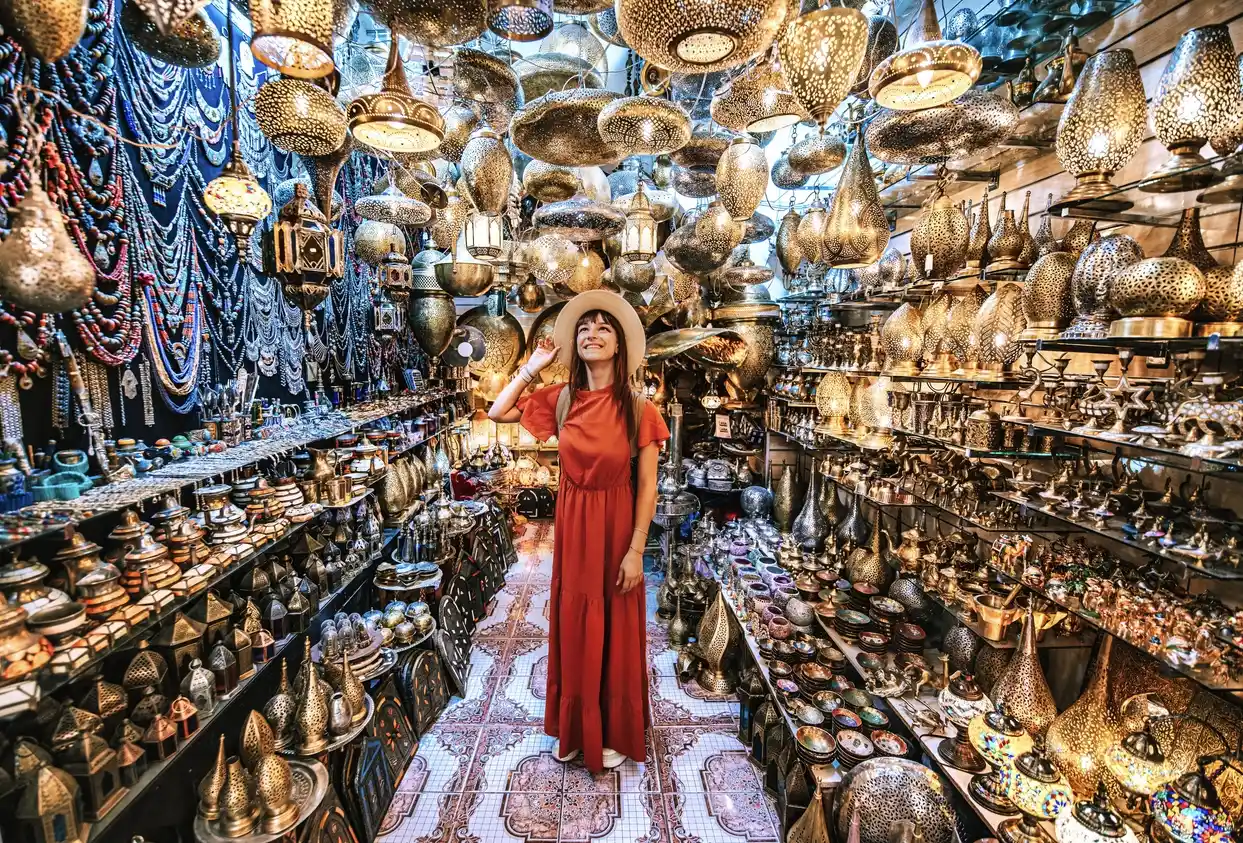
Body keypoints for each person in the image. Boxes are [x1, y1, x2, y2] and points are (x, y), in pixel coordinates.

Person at [488, 289, 669, 772]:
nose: (592, 333)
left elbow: (647, 489)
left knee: (613, 628)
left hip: (616, 531)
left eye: (604, 327)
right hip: (574, 532)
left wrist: (636, 550)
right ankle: (574, 728)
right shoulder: (561, 398)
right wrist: (535, 365)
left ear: (619, 345)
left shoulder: (639, 410)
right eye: (584, 327)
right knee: (574, 624)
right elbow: (497, 411)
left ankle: (609, 730)